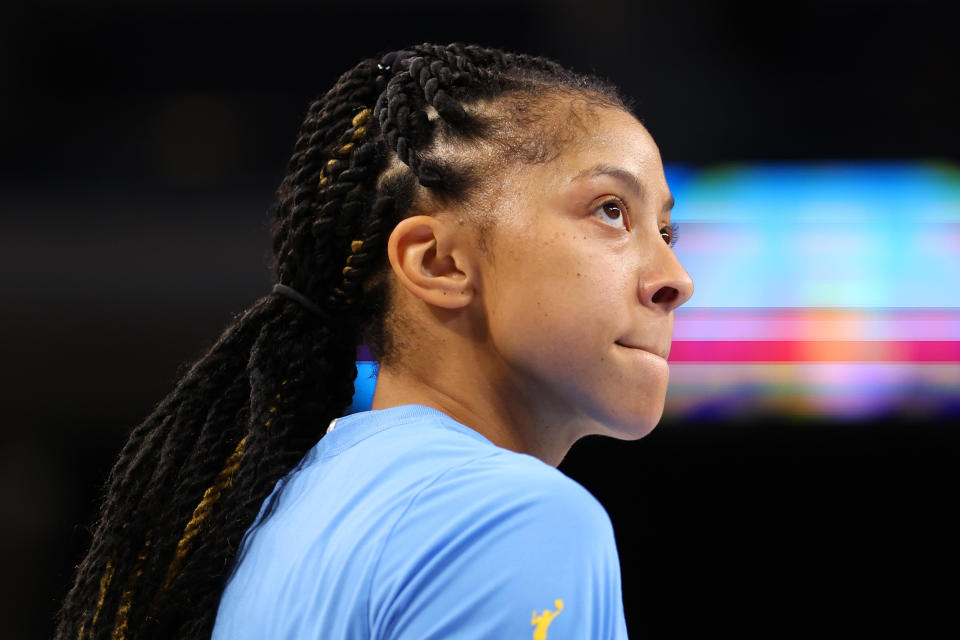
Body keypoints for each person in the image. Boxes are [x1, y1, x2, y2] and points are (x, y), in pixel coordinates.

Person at [56, 42, 693, 640]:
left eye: (666, 233)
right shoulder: (511, 518)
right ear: (438, 263)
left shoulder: (286, 508)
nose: (676, 281)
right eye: (611, 210)